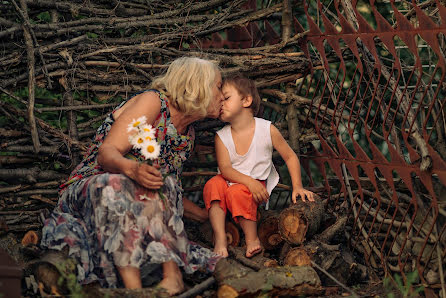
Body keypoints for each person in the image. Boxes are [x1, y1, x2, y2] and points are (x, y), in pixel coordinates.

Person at [40, 57, 224, 295]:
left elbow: (165, 189)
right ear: (197, 84)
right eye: (218, 86)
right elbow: (106, 154)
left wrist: (203, 216)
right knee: (116, 184)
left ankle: (172, 277)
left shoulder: (187, 134)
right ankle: (134, 291)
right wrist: (133, 170)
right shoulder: (153, 103)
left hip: (138, 206)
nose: (222, 95)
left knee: (164, 184)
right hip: (94, 191)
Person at [203, 75, 315, 258]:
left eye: (226, 98)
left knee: (237, 192)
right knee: (212, 185)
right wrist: (247, 181)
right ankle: (221, 238)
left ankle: (252, 239)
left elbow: (290, 156)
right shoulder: (221, 136)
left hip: (255, 187)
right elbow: (225, 170)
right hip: (232, 181)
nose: (221, 103)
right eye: (219, 99)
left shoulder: (266, 130)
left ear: (246, 100)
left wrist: (297, 186)